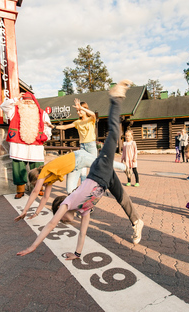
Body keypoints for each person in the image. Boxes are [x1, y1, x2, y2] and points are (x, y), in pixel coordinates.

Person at [17, 80, 144, 259]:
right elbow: (82, 233)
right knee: (122, 198)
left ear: (61, 209)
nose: (63, 222)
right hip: (105, 180)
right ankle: (137, 221)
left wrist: (33, 246)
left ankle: (115, 98)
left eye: (61, 219)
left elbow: (50, 225)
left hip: (98, 170)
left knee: (114, 134)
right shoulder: (83, 211)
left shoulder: (69, 202)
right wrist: (77, 253)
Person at [14, 149, 126, 221]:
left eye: (36, 183)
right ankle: (81, 208)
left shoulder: (43, 173)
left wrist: (24, 211)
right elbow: (45, 197)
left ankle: (125, 167)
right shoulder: (49, 179)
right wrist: (36, 213)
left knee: (103, 164)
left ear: (37, 177)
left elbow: (35, 192)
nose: (39, 186)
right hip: (74, 166)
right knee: (70, 190)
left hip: (79, 157)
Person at [0, 92, 52, 199]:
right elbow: (3, 106)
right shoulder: (14, 110)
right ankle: (20, 190)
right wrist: (15, 99)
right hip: (19, 145)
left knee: (37, 167)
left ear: (34, 102)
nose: (28, 103)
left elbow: (48, 127)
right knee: (18, 167)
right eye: (25, 101)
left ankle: (39, 188)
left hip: (36, 145)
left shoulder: (42, 113)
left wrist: (46, 136)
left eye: (30, 101)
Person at [54, 99, 97, 189]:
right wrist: (53, 126)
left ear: (84, 109)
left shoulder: (91, 120)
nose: (78, 112)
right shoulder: (77, 122)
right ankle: (83, 189)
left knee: (94, 168)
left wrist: (81, 107)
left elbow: (93, 114)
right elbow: (65, 127)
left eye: (79, 110)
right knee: (82, 171)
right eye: (77, 111)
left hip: (91, 146)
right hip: (83, 146)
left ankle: (93, 187)